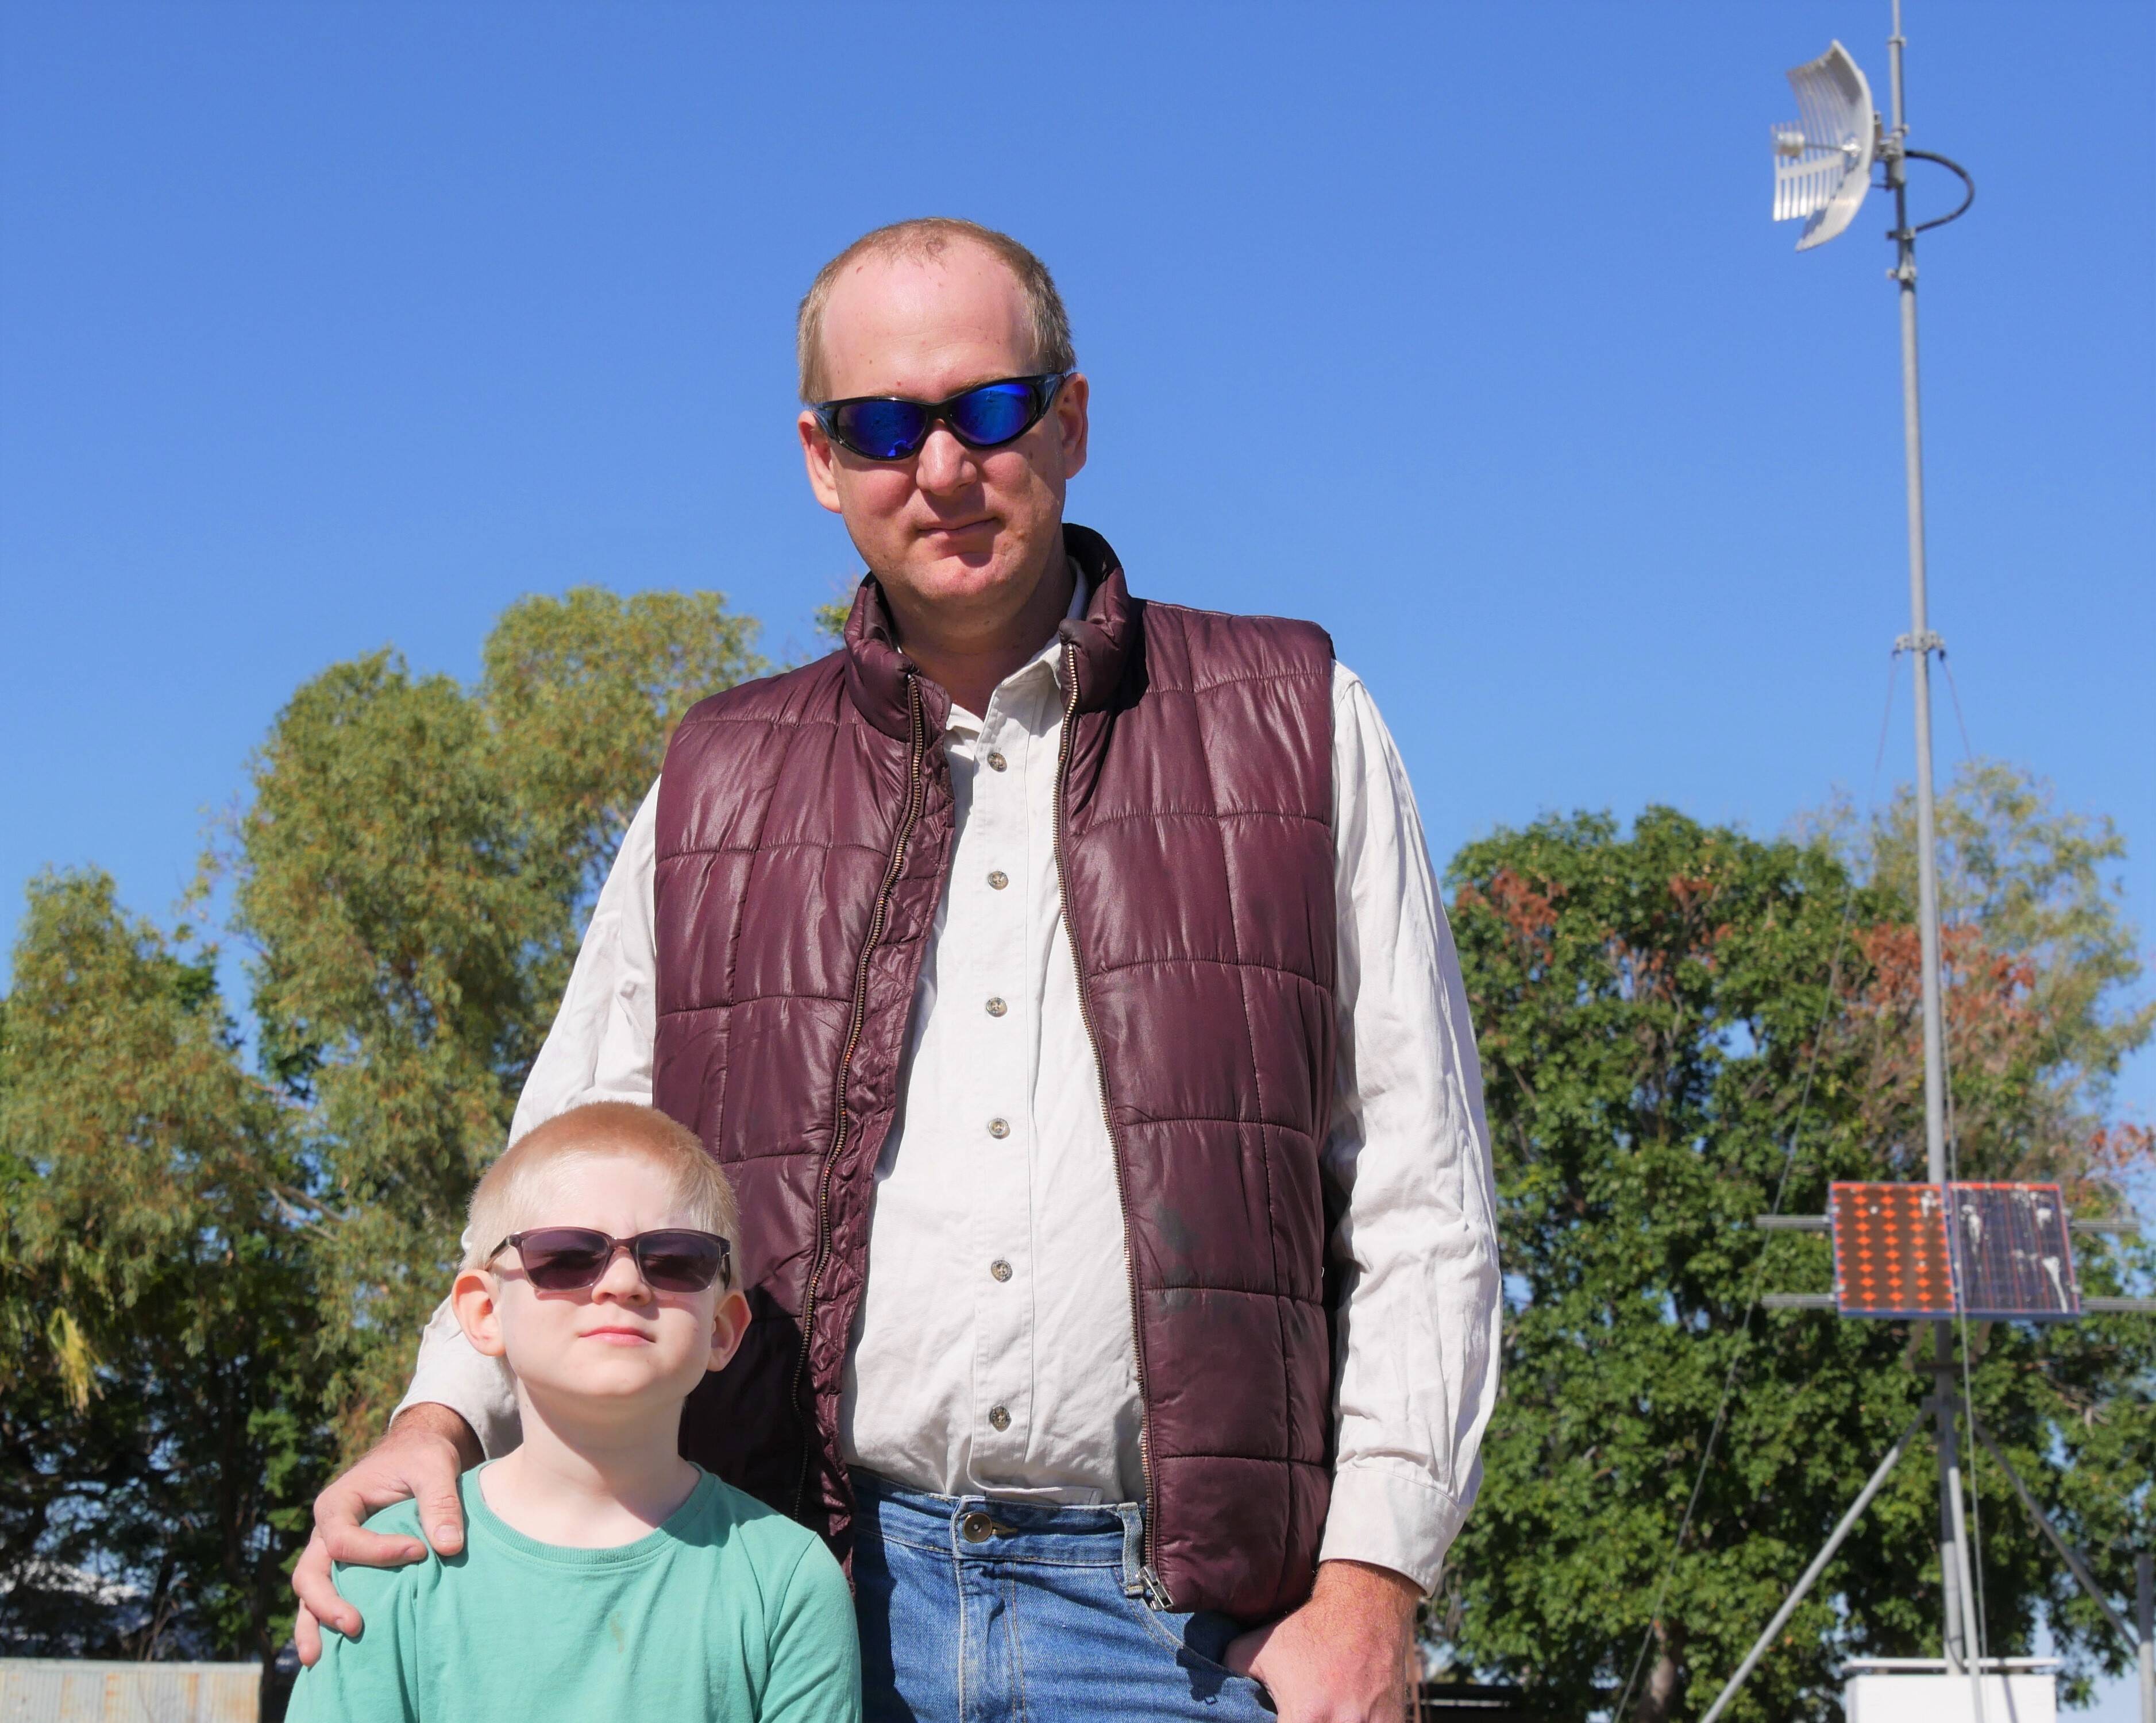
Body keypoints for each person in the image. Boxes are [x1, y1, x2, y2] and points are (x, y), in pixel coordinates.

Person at [294, 217, 1503, 1723]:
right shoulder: (716, 778)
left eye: (986, 409)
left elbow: (1421, 1194)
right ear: (819, 457)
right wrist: (438, 1418)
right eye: (882, 426)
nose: (940, 467)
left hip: (1196, 1637)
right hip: (796, 1601)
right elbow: (568, 1163)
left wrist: (1375, 1583)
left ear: (1069, 418)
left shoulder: (1297, 719)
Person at [286, 1102, 859, 1722]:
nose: (622, 1283)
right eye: (565, 1255)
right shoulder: (385, 1564)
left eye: (674, 1259)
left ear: (722, 1330)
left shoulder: (788, 1583)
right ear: (483, 1313)